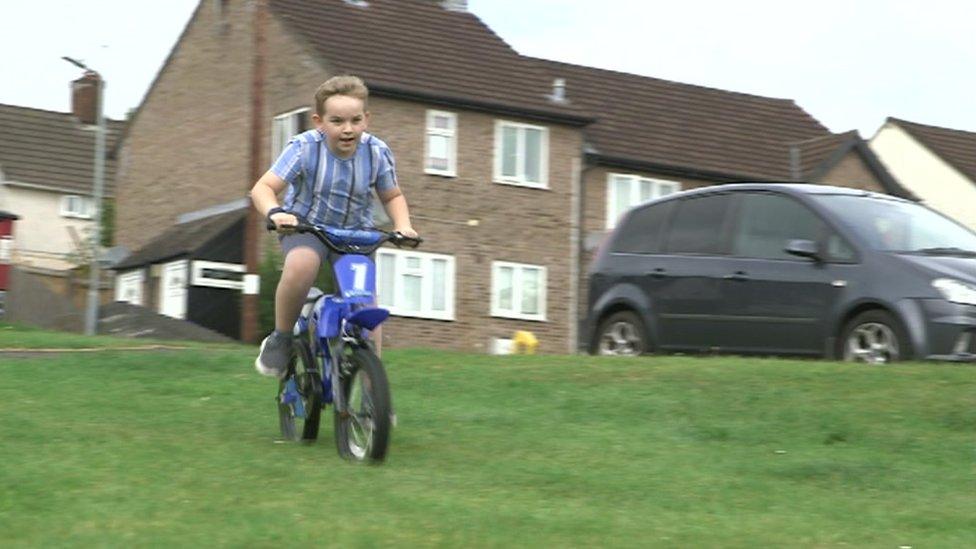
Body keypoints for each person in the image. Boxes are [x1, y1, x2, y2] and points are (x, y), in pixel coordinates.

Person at [250, 75, 417, 377]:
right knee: (302, 264)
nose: (347, 129)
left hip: (355, 234)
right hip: (306, 228)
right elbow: (263, 188)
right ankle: (282, 337)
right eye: (337, 121)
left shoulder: (377, 152)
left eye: (355, 120)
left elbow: (392, 195)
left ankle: (372, 396)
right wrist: (276, 213)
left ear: (367, 119)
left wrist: (403, 225)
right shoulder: (303, 148)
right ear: (319, 122)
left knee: (366, 310)